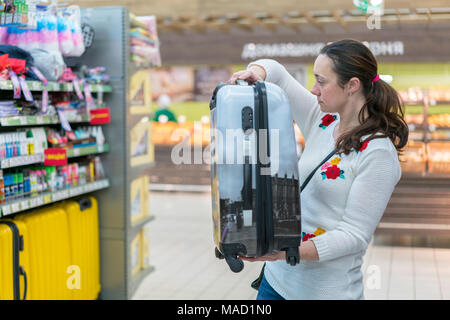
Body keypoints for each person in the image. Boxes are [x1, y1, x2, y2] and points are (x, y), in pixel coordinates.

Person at [227, 39, 408, 300]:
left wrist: (286, 251)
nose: (313, 90)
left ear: (352, 86)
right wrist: (255, 73)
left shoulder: (378, 153)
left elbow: (354, 236)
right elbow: (276, 71)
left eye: (321, 82)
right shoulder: (321, 119)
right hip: (276, 282)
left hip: (324, 291)